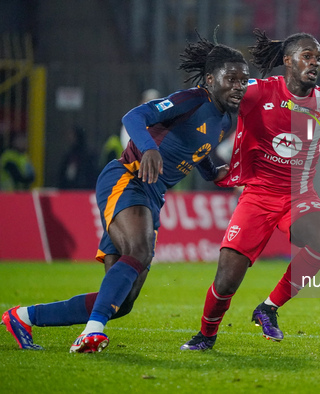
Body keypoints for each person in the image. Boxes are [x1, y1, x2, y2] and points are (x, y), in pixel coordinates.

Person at [1, 35, 249, 352]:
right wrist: (148, 150)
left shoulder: (224, 119)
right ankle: (90, 333)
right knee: (140, 252)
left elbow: (197, 151)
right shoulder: (191, 99)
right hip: (127, 178)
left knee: (124, 300)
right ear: (211, 79)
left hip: (151, 195)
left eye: (244, 79)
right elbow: (134, 117)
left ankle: (22, 317)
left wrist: (217, 173)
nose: (239, 86)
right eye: (232, 78)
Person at [181, 29, 320, 351]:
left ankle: (269, 308)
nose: (314, 62)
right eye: (307, 56)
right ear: (288, 61)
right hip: (257, 195)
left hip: (299, 195)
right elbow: (217, 96)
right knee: (226, 280)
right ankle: (206, 335)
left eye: (318, 57)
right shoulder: (257, 91)